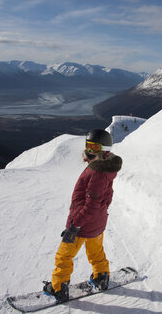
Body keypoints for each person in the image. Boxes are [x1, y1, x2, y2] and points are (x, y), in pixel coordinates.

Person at [43, 129, 122, 303]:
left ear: (105, 150)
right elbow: (106, 197)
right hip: (96, 223)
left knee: (64, 255)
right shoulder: (104, 169)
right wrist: (100, 213)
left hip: (82, 224)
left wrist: (75, 225)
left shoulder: (97, 172)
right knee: (96, 252)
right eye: (88, 145)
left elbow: (91, 204)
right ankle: (101, 277)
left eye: (94, 147)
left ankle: (58, 288)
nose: (90, 150)